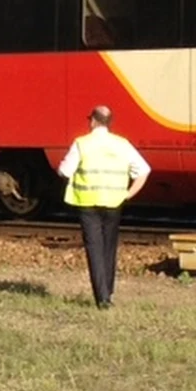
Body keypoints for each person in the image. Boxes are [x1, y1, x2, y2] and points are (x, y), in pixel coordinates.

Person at [57, 105, 150, 309]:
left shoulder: (82, 143)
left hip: (87, 203)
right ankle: (109, 291)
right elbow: (143, 170)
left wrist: (64, 174)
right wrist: (128, 194)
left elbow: (64, 171)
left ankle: (102, 297)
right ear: (109, 122)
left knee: (94, 248)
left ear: (92, 121)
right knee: (109, 248)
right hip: (114, 203)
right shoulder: (122, 144)